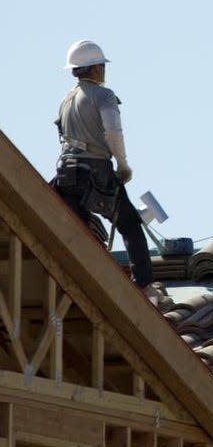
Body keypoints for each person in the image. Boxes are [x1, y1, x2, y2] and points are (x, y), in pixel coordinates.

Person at [53, 40, 155, 292]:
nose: (103, 70)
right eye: (101, 66)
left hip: (67, 172)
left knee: (80, 231)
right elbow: (113, 132)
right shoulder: (104, 96)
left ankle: (78, 281)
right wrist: (122, 165)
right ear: (95, 68)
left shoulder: (66, 100)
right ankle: (143, 283)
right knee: (129, 224)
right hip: (95, 169)